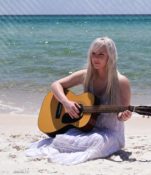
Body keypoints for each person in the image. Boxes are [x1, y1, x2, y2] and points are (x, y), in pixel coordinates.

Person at [25, 37, 132, 165]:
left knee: (97, 142)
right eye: (93, 54)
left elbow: (122, 115)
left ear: (110, 56)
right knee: (63, 139)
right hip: (87, 127)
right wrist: (66, 102)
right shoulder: (86, 75)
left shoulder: (121, 81)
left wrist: (124, 116)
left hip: (111, 132)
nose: (96, 58)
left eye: (101, 54)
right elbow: (56, 85)